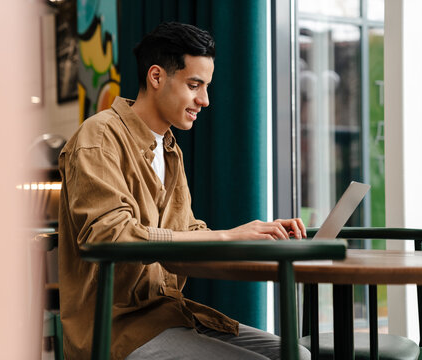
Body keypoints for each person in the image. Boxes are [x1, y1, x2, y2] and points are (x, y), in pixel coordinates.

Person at [58, 22, 310, 360]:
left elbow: (186, 232)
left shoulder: (169, 149)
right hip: (115, 329)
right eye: (195, 85)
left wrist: (255, 237)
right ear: (157, 77)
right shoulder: (98, 137)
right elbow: (112, 237)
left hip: (168, 315)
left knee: (297, 354)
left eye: (206, 87)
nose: (205, 100)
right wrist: (227, 238)